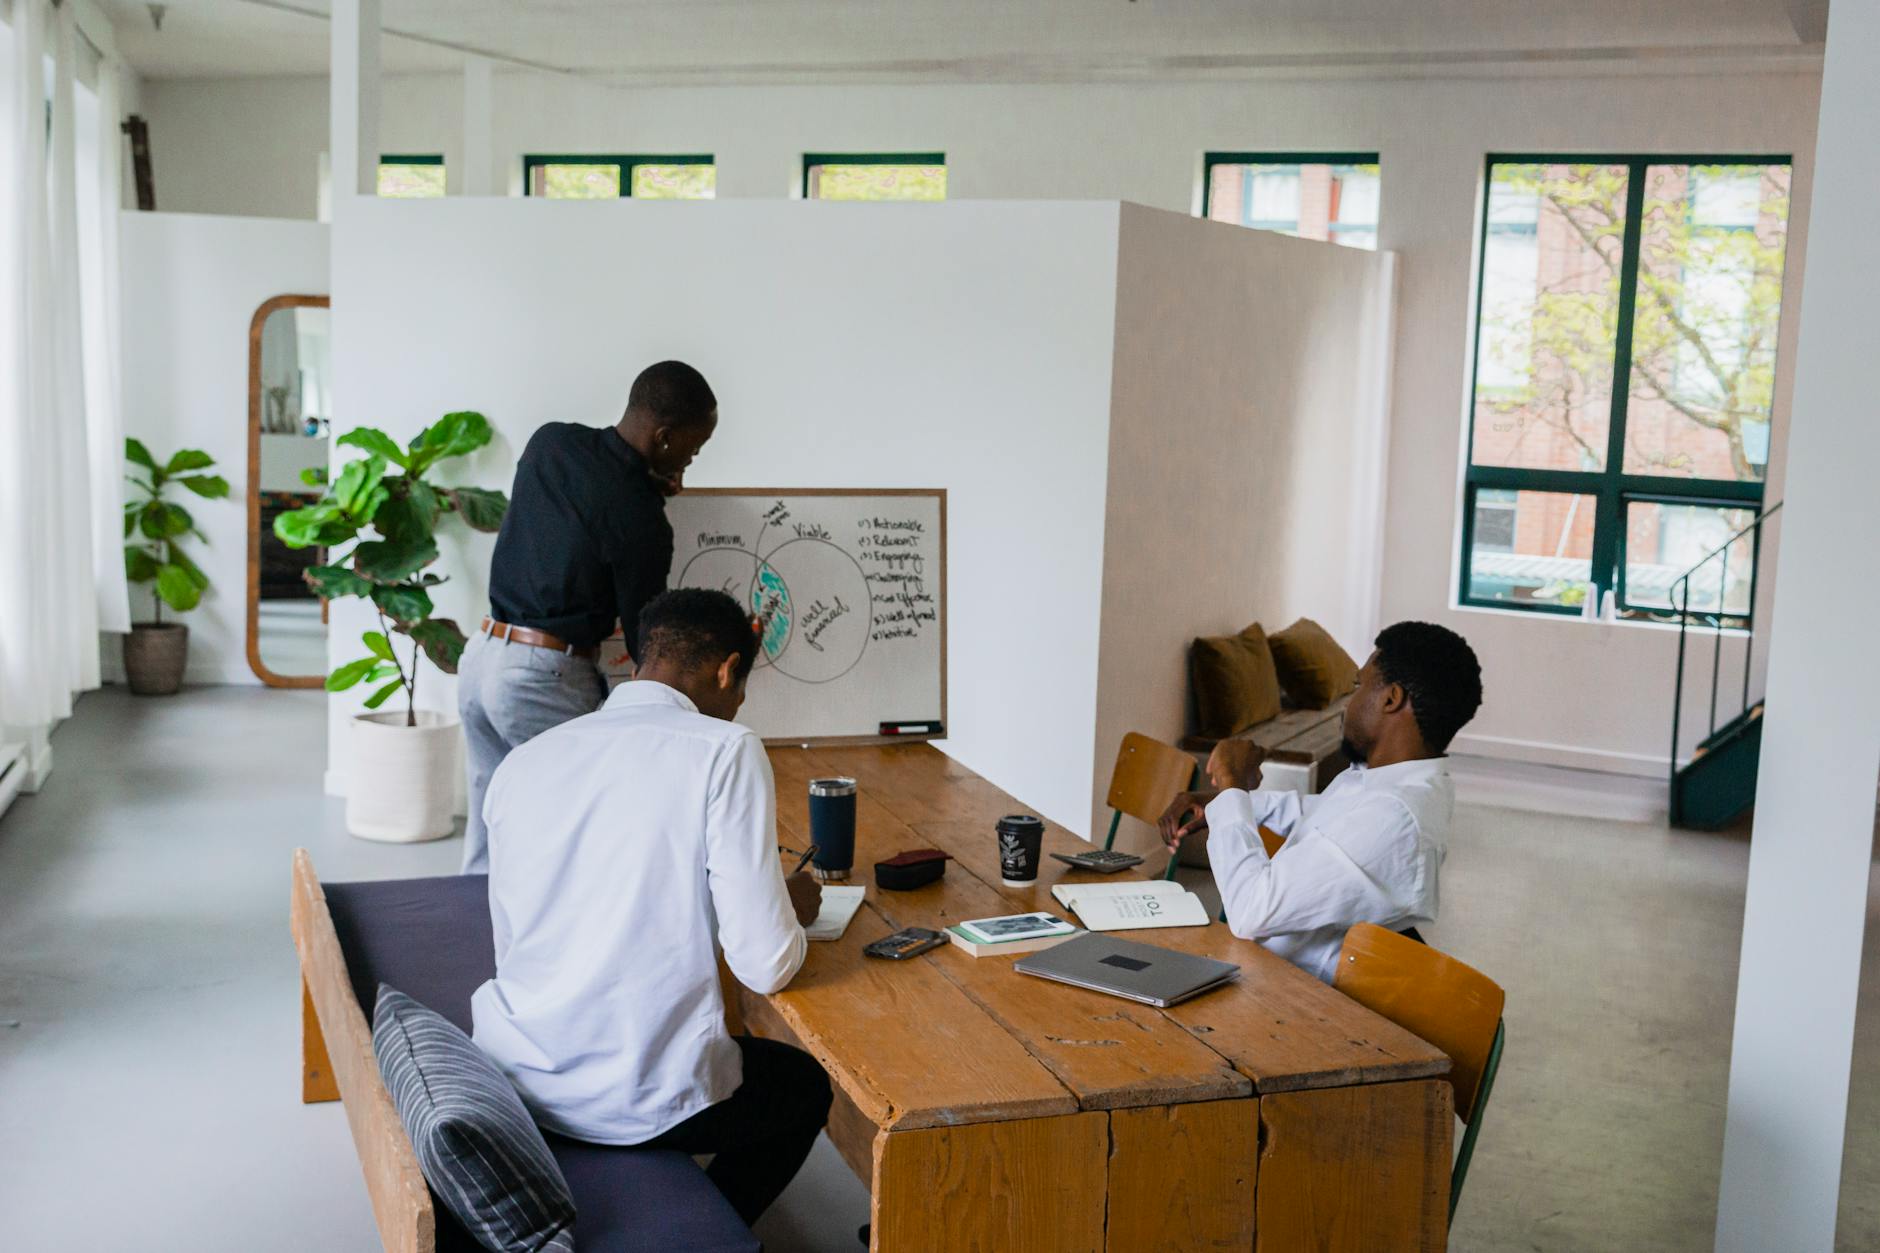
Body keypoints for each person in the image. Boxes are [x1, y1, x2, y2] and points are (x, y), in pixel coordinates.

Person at [471, 588, 830, 1228]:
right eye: (741, 686)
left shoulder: (527, 759)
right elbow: (767, 966)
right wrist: (786, 905)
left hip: (520, 1070)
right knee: (803, 1087)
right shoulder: (725, 748)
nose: (738, 704)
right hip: (632, 1100)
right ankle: (703, 1233)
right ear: (726, 670)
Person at [458, 360, 719, 873]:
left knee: (492, 826)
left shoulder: (551, 442)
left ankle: (478, 940)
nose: (693, 457)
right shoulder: (640, 518)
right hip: (542, 679)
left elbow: (580, 505)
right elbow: (650, 635)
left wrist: (647, 486)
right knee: (592, 826)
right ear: (665, 438)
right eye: (693, 446)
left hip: (482, 659)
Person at [1158, 621, 1483, 984]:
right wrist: (1224, 804)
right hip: (1262, 972)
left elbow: (1250, 910)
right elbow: (1314, 818)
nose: (1349, 701)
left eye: (1358, 686)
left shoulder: (1395, 817)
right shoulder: (1388, 782)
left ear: (1391, 698)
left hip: (1285, 997)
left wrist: (1233, 783)